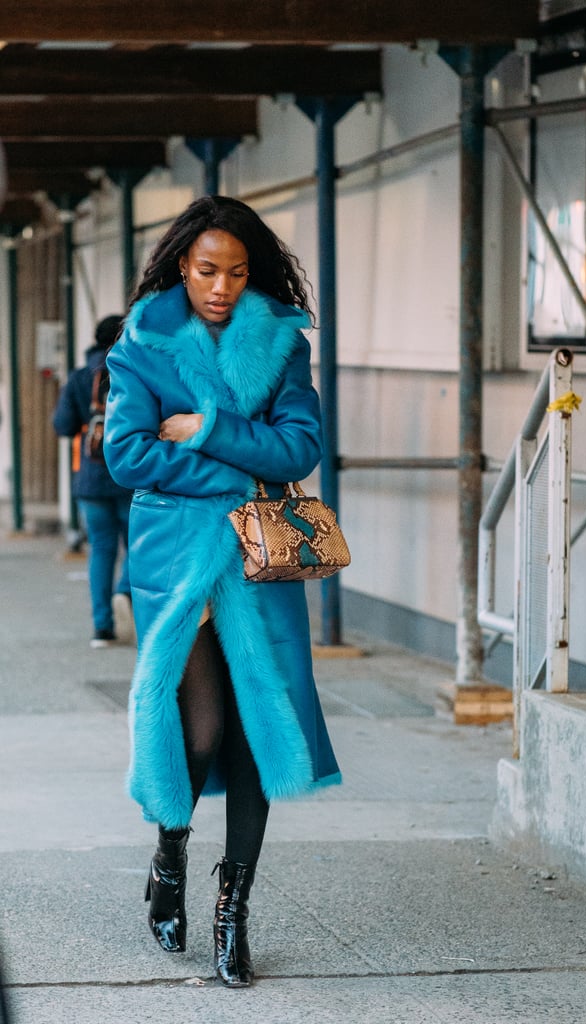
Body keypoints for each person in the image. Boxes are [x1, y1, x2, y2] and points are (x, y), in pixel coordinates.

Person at [103, 195, 341, 988]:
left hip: (259, 563)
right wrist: (246, 460)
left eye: (237, 272)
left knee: (257, 738)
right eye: (208, 270)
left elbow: (301, 446)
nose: (222, 286)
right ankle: (170, 851)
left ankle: (232, 910)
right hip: (177, 566)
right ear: (182, 265)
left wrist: (204, 429)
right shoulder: (143, 343)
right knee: (197, 730)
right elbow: (128, 456)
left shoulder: (281, 345)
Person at [53, 315, 135, 648]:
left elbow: (62, 426)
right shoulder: (133, 371)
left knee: (100, 549)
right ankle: (125, 591)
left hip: (91, 479)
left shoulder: (78, 378)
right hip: (131, 476)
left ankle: (102, 627)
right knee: (139, 546)